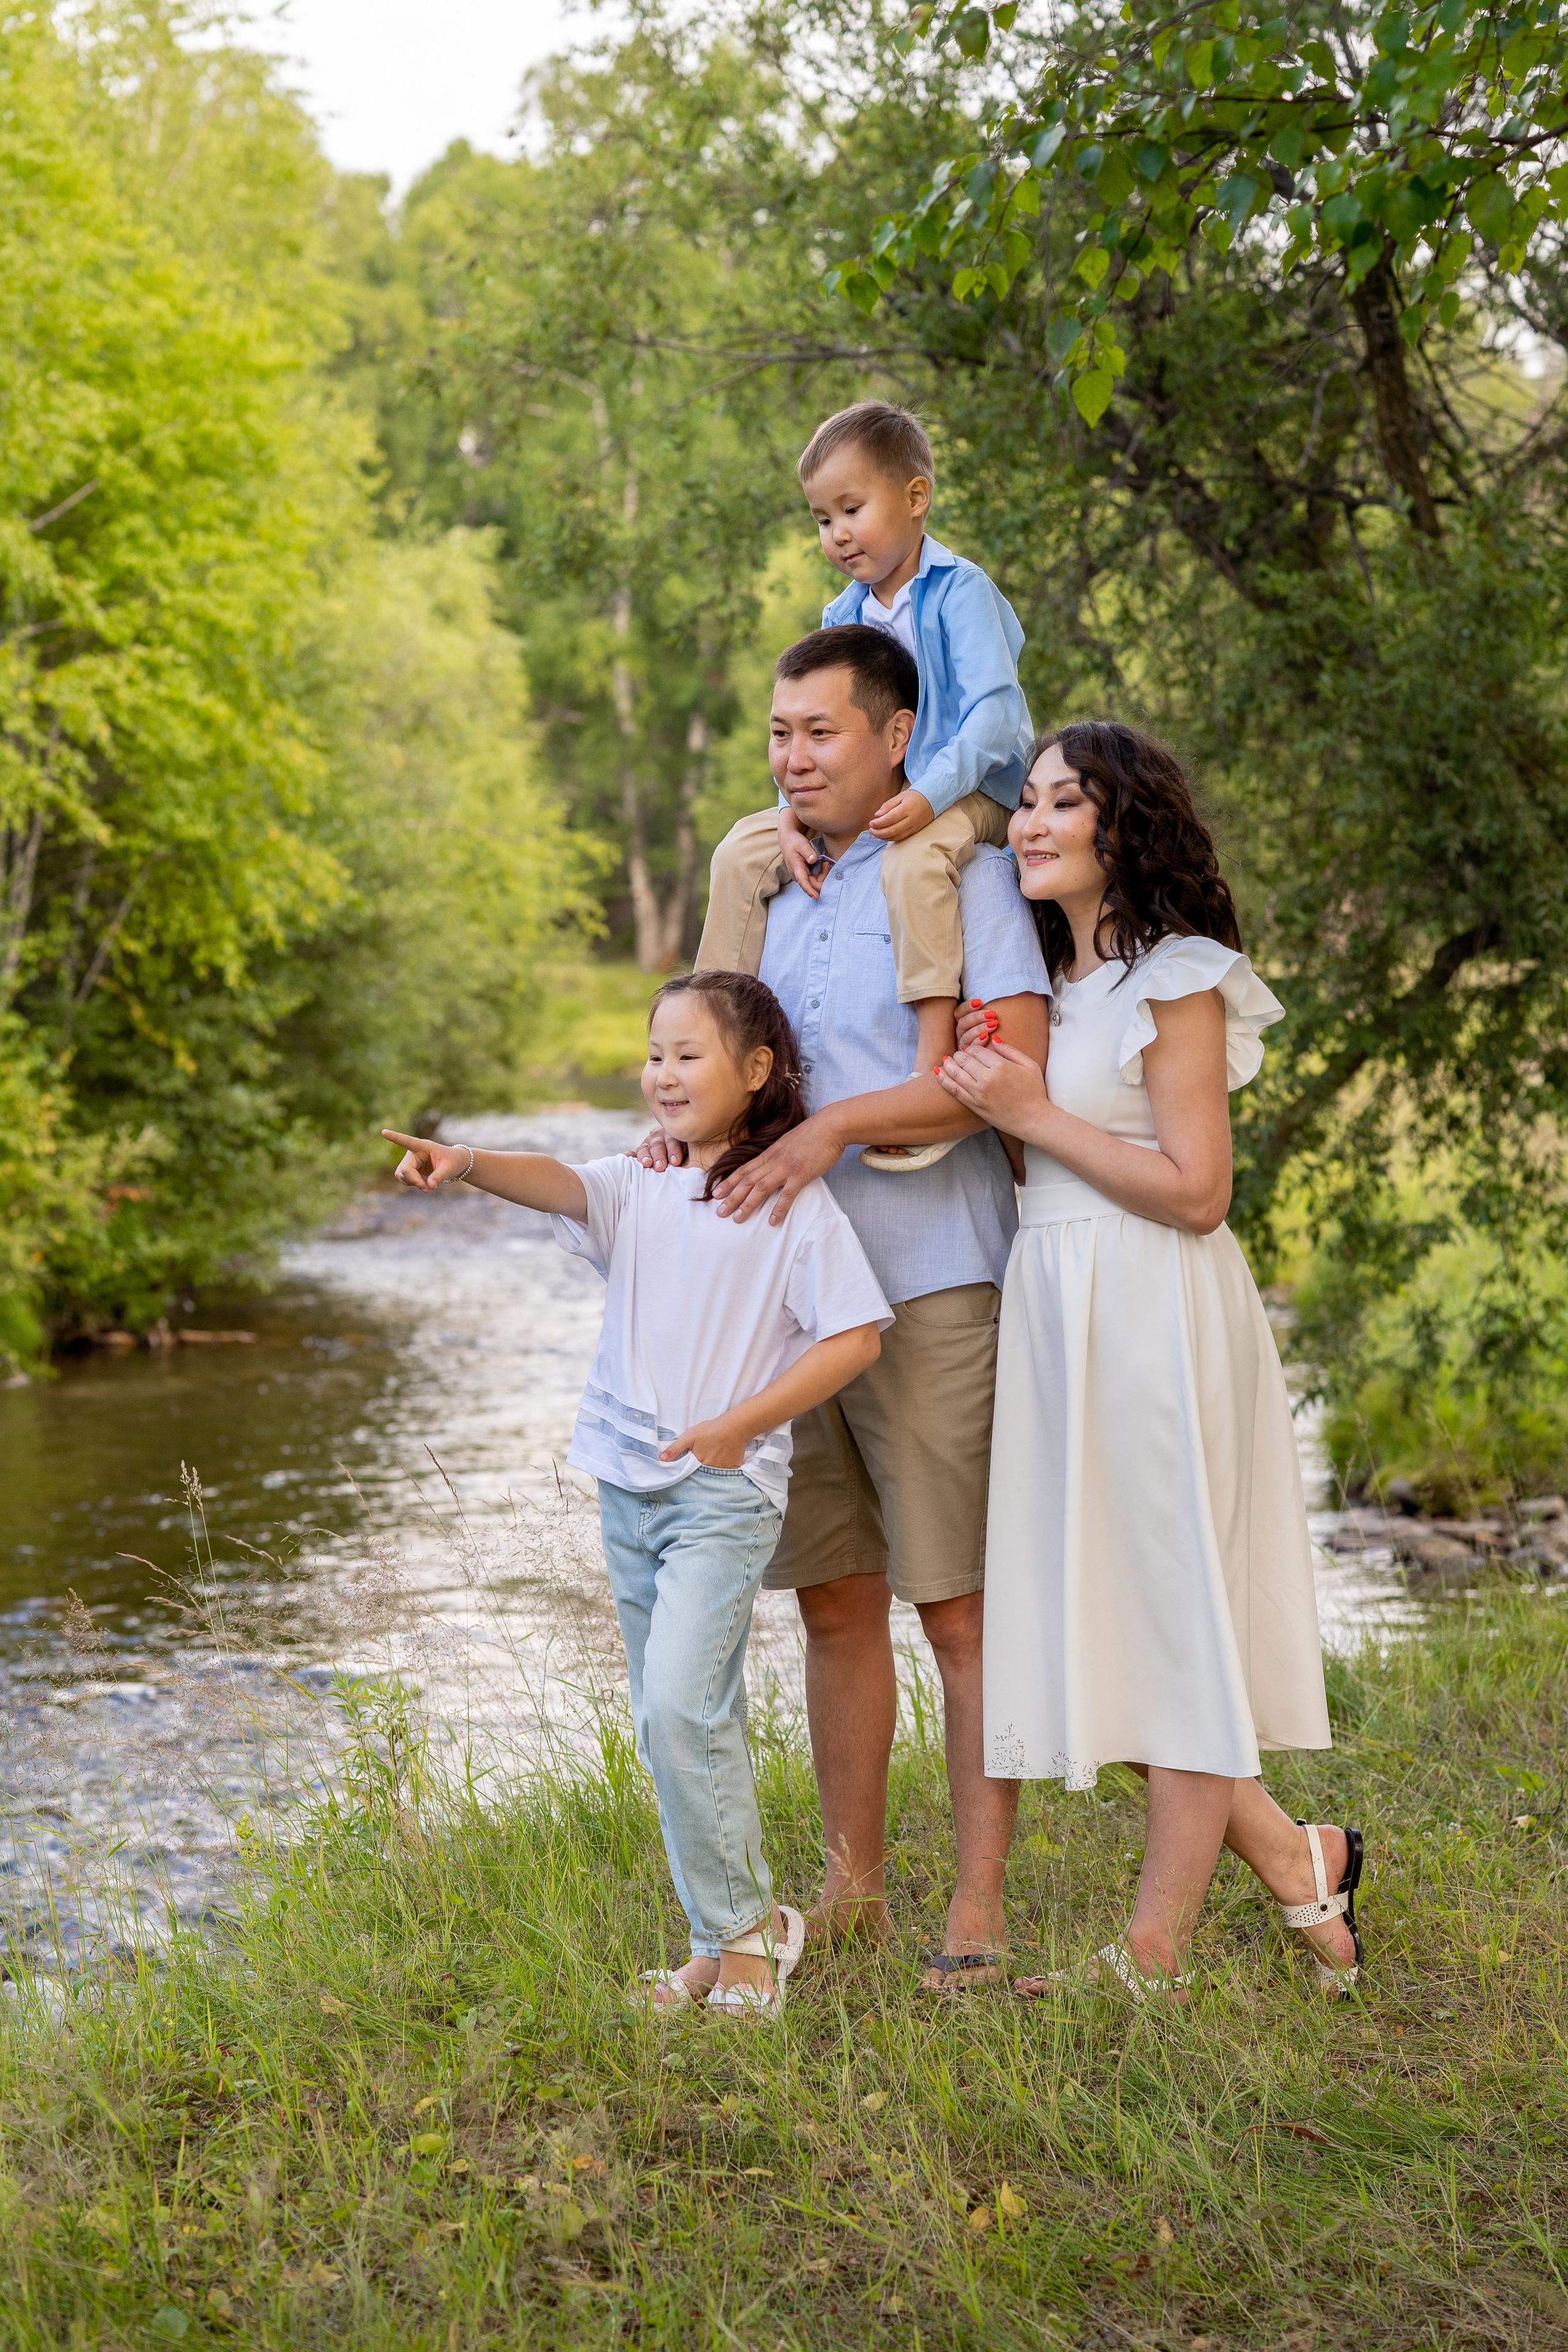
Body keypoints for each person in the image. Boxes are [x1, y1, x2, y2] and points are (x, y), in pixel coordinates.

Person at [647, 625, 1051, 1988]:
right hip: (788, 1302)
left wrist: (823, 1132)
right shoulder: (760, 880)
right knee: (833, 1600)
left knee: (959, 1608)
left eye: (820, 732)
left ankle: (977, 1916)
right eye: (778, 732)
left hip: (933, 1275)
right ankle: (859, 1893)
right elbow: (720, 1060)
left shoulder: (963, 872)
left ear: (894, 741)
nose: (793, 756)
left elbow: (995, 1080)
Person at [934, 721, 1365, 1998]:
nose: (1028, 820)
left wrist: (1030, 1114)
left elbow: (1194, 1192)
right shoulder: (1045, 993)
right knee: (1098, 1628)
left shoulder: (1178, 974)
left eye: (1062, 802)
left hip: (1153, 1309)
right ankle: (1298, 1861)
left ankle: (1150, 1956)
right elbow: (1047, 1161)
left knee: (1166, 1625)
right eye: (1025, 800)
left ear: (1121, 827)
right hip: (1055, 1304)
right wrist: (999, 1106)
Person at [382, 971, 892, 2018]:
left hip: (722, 1492)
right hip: (626, 1489)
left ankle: (752, 1941)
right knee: (675, 1722)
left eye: (689, 1055)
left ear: (756, 1074)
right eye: (654, 1054)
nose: (663, 1074)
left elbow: (856, 1335)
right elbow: (559, 1183)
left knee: (678, 1706)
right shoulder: (640, 1180)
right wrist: (467, 1161)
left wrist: (744, 1420)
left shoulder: (793, 1202)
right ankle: (720, 1938)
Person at [697, 400, 1033, 1153]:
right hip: (887, 791)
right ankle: (709, 1051)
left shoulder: (960, 592)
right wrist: (788, 811)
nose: (836, 534)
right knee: (741, 850)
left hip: (974, 791)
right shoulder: (841, 610)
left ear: (916, 499)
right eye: (821, 519)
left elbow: (997, 720)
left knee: (916, 864)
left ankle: (927, 1062)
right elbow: (812, 725)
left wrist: (929, 795)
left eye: (852, 509)